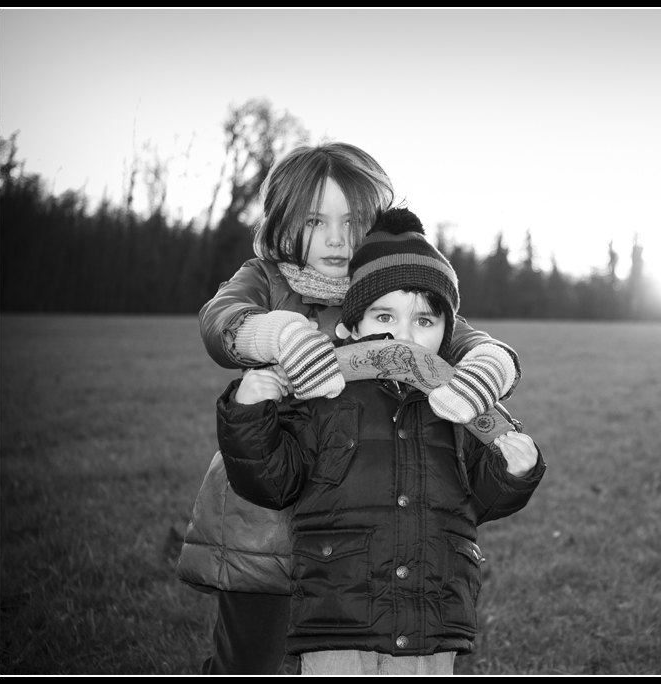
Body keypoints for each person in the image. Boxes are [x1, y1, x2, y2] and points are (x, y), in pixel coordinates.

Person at [182, 143, 523, 675]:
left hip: (356, 514)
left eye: (354, 220)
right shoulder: (268, 278)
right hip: (265, 504)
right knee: (250, 655)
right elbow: (220, 318)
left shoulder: (389, 285)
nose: (337, 238)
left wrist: (489, 366)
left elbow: (468, 339)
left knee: (346, 638)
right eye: (315, 220)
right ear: (282, 222)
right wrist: (271, 333)